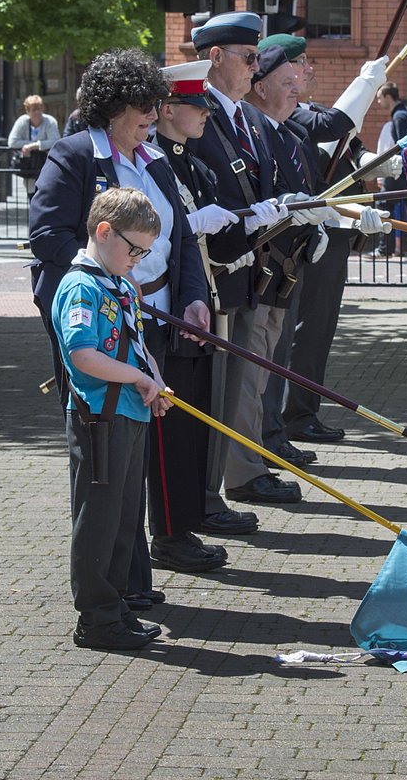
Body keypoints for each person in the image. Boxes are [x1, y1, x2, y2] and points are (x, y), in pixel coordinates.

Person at [29, 47, 217, 606]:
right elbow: (48, 237)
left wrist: (192, 297)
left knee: (135, 456)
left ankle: (131, 580)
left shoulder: (156, 158)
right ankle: (107, 593)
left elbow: (180, 234)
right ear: (112, 106)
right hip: (101, 328)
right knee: (105, 466)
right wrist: (109, 286)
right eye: (143, 105)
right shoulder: (73, 155)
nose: (154, 114)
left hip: (151, 320)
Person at [188, 14, 313, 510]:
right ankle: (220, 483)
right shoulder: (199, 112)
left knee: (246, 378)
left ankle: (240, 472)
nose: (254, 67)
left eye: (258, 57)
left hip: (254, 266)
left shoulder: (247, 118)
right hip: (216, 268)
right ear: (215, 57)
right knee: (223, 386)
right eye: (248, 57)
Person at [252, 34, 396, 449]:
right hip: (295, 240)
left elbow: (349, 146)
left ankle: (298, 414)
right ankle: (275, 426)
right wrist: (366, 84)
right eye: (300, 64)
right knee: (285, 336)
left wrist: (371, 162)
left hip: (327, 233)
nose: (309, 70)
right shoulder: (285, 118)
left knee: (317, 329)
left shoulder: (304, 110)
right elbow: (333, 127)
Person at [53, 186, 171, 651]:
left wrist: (154, 382)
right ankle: (97, 618)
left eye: (145, 251)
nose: (139, 258)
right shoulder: (81, 285)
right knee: (98, 518)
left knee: (125, 516)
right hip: (99, 419)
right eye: (134, 248)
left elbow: (138, 347)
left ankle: (116, 604)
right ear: (104, 232)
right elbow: (82, 355)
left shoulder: (120, 284)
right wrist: (138, 380)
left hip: (129, 414)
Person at [152, 59, 261, 543]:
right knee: (176, 430)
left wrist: (258, 223)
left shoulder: (192, 166)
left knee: (200, 422)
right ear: (169, 109)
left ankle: (194, 514)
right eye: (195, 107)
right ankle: (178, 527)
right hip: (169, 307)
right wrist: (191, 226)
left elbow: (218, 247)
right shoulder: (156, 162)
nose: (204, 116)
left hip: (200, 302)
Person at [374, 83, 407, 257]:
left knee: (383, 205)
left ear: (388, 97)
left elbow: (403, 144)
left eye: (380, 97)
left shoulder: (399, 117)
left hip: (399, 169)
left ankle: (384, 249)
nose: (378, 102)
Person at [8, 94, 60, 197]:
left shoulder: (50, 122)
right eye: (33, 109)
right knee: (31, 194)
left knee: (45, 193)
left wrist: (34, 146)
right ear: (27, 111)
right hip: (29, 166)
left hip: (46, 164)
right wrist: (29, 145)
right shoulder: (22, 121)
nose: (37, 112)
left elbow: (55, 140)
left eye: (39, 109)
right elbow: (12, 142)